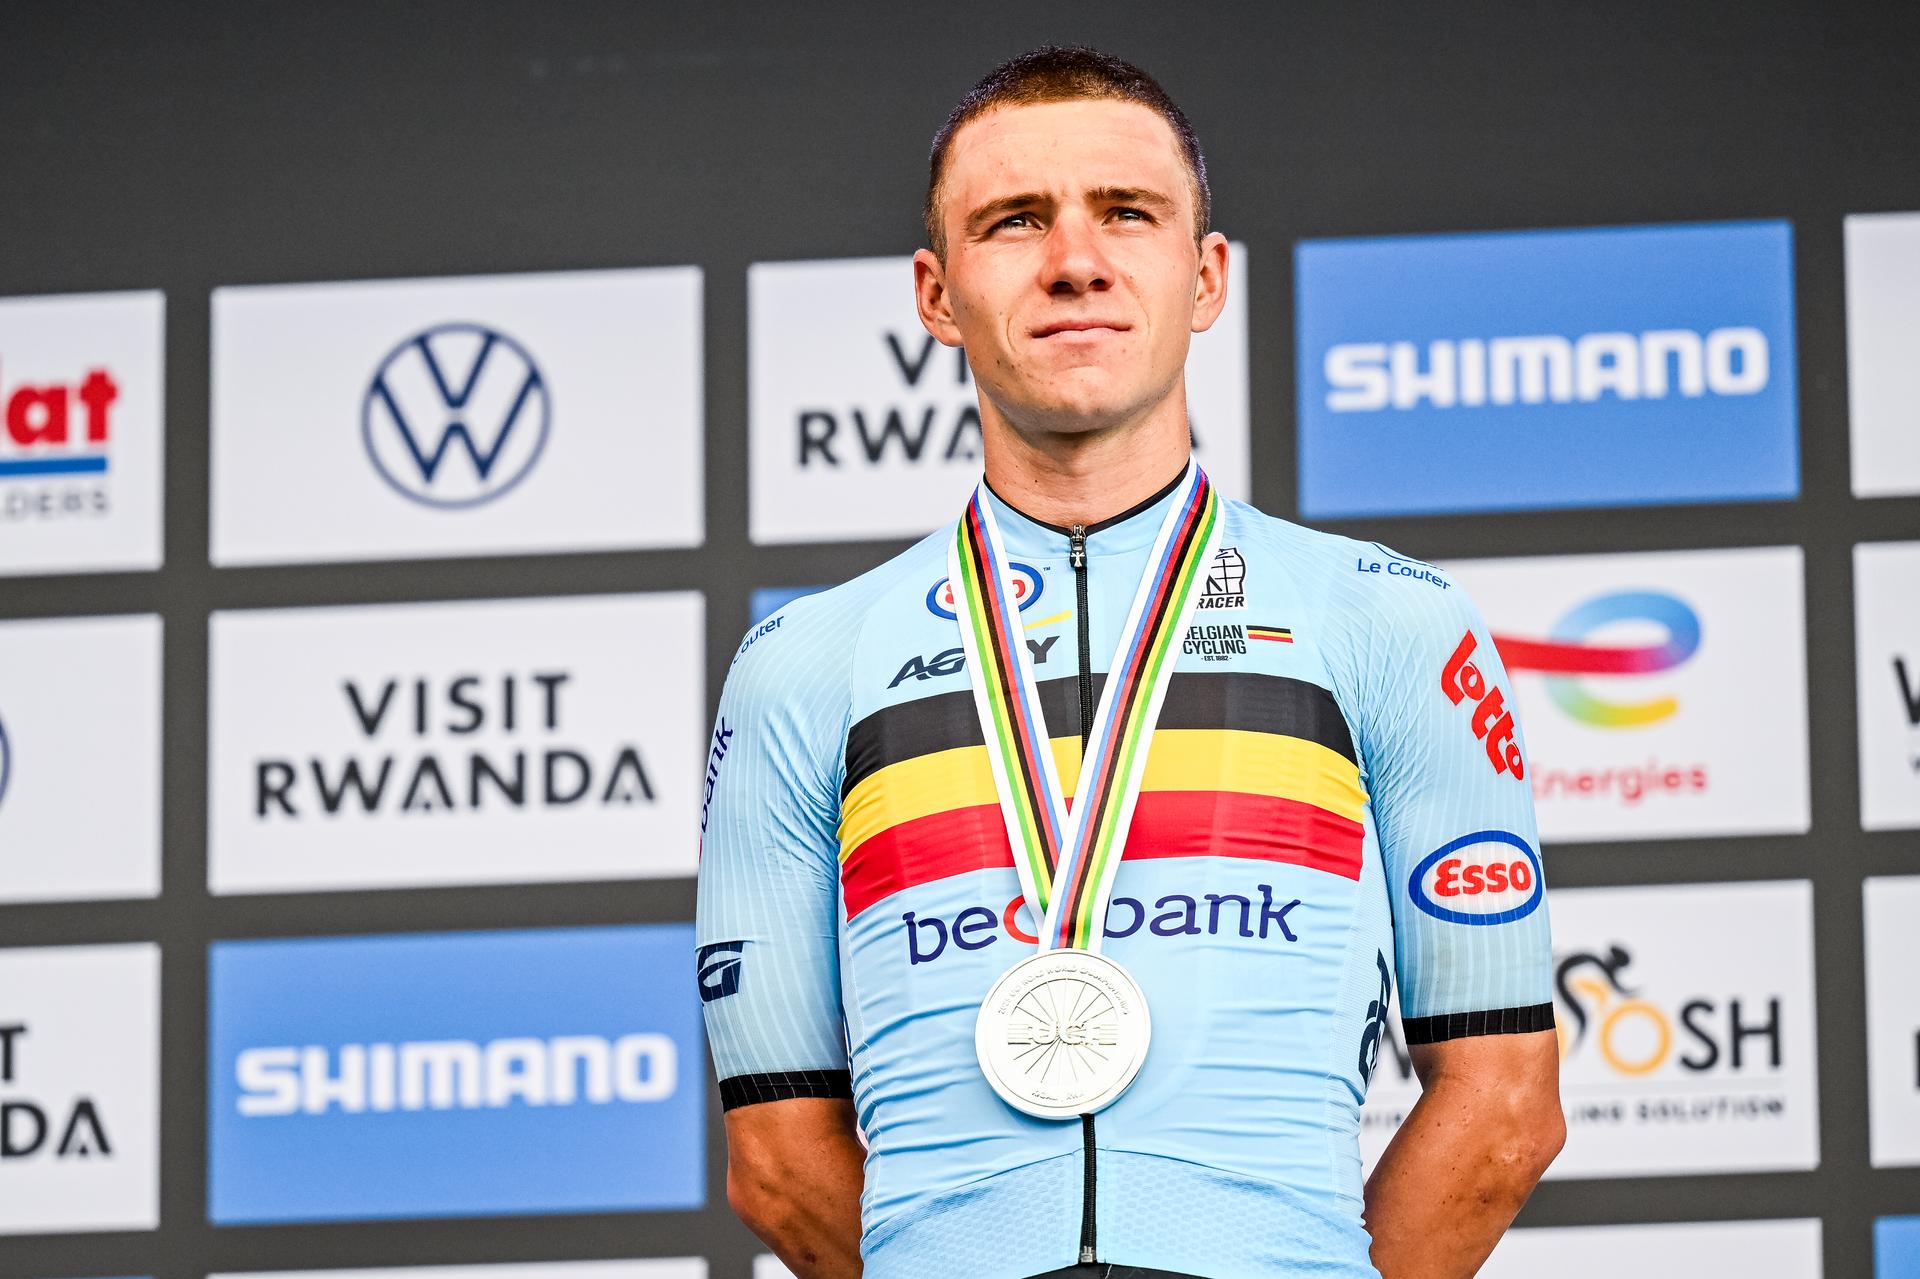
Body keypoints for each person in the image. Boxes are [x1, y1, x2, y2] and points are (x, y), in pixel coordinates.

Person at [696, 46, 1564, 1279]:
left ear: (1204, 276)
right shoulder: (802, 664)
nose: (1075, 260)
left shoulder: (1390, 621)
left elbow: (1504, 1108)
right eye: (1014, 222)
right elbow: (779, 1160)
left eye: (1126, 213)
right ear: (936, 297)